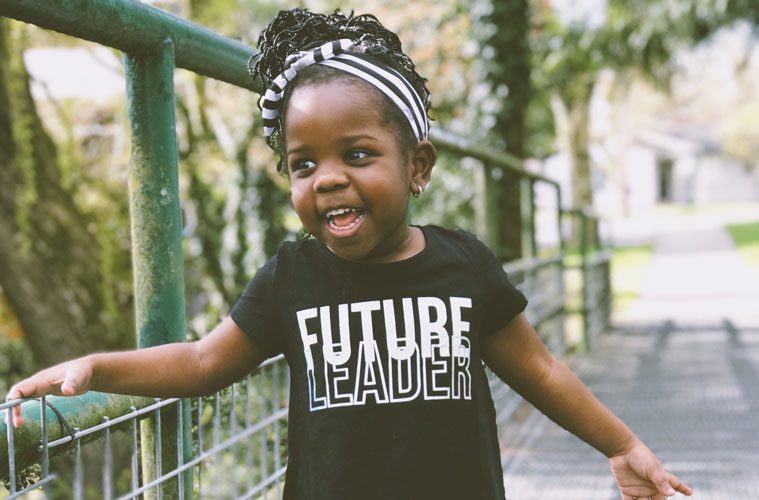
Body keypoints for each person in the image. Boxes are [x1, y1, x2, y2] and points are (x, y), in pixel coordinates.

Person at [7, 9, 692, 500]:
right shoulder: (290, 276)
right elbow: (200, 362)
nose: (327, 177)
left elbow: (539, 369)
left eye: (357, 154)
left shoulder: (464, 266)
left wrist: (622, 446)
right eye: (303, 164)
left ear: (417, 165)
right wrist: (97, 367)